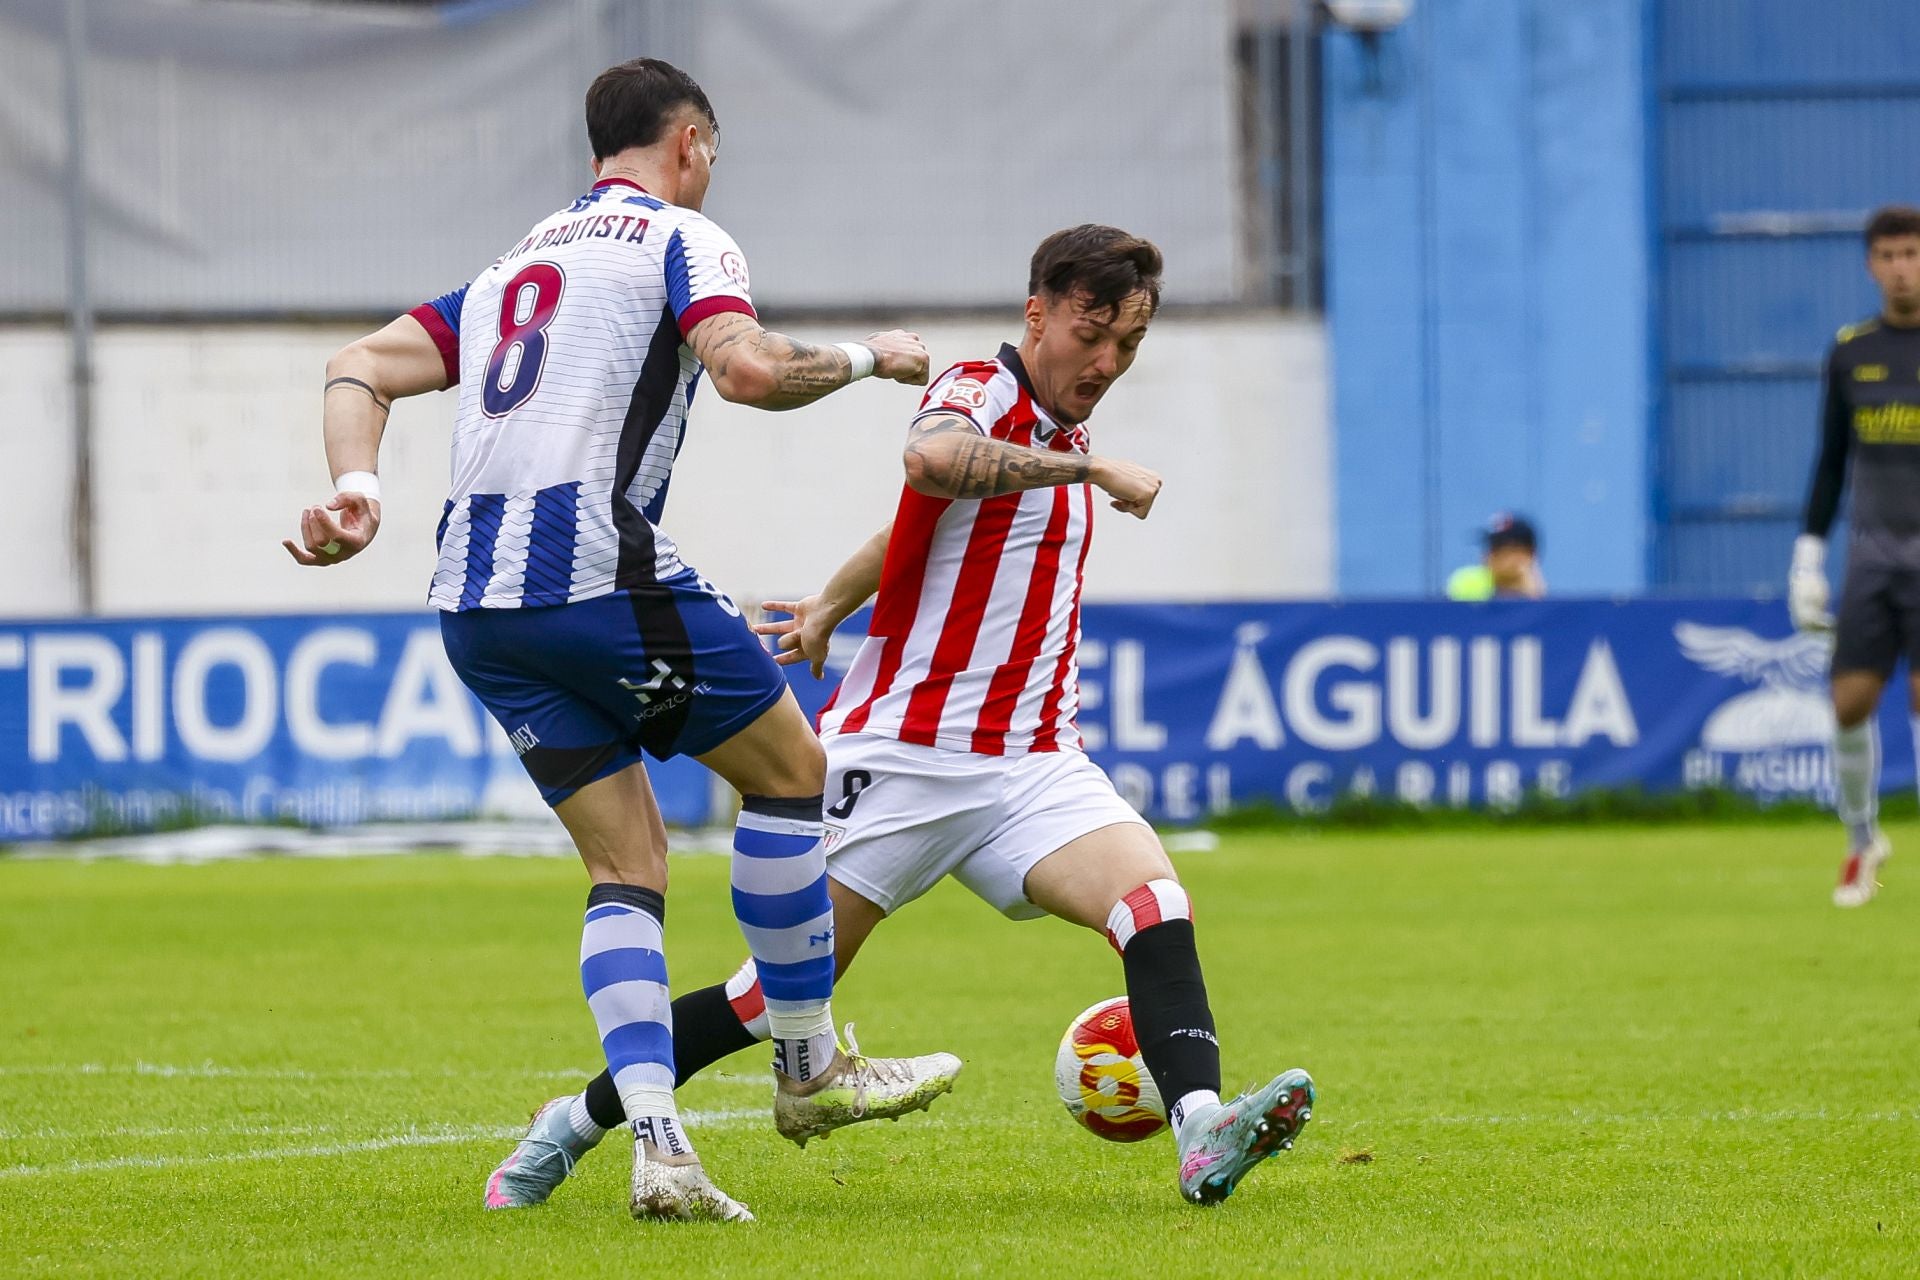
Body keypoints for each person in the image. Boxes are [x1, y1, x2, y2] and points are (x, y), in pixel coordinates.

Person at [491, 224, 1316, 1210]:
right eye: (1092, 331)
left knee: (1154, 904)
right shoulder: (978, 388)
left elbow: (916, 522)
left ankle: (1200, 1130)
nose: (1106, 361)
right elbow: (933, 463)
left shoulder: (1059, 437)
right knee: (770, 997)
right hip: (902, 756)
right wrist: (1092, 476)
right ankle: (567, 1127)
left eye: (1128, 344)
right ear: (1038, 310)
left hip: (1033, 763)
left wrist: (832, 603)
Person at [282, 58, 962, 1223]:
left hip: (476, 605)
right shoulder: (679, 240)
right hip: (594, 571)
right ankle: (807, 1069)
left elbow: (357, 364)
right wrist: (871, 358)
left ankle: (662, 1151)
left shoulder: (513, 267)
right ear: (689, 142)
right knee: (796, 771)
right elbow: (745, 368)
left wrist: (357, 486)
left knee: (627, 864)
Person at [1790, 204, 1920, 908]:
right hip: (1871, 554)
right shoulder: (1850, 352)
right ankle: (1861, 840)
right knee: (1849, 702)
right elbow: (1831, 462)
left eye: (1913, 254)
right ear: (1872, 265)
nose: (1903, 268)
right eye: (1890, 256)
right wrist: (1808, 556)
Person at [1445, 513, 1545, 600]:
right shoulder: (1467, 583)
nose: (1489, 554)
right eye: (1489, 546)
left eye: (1499, 547)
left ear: (1527, 554)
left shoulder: (1538, 595)